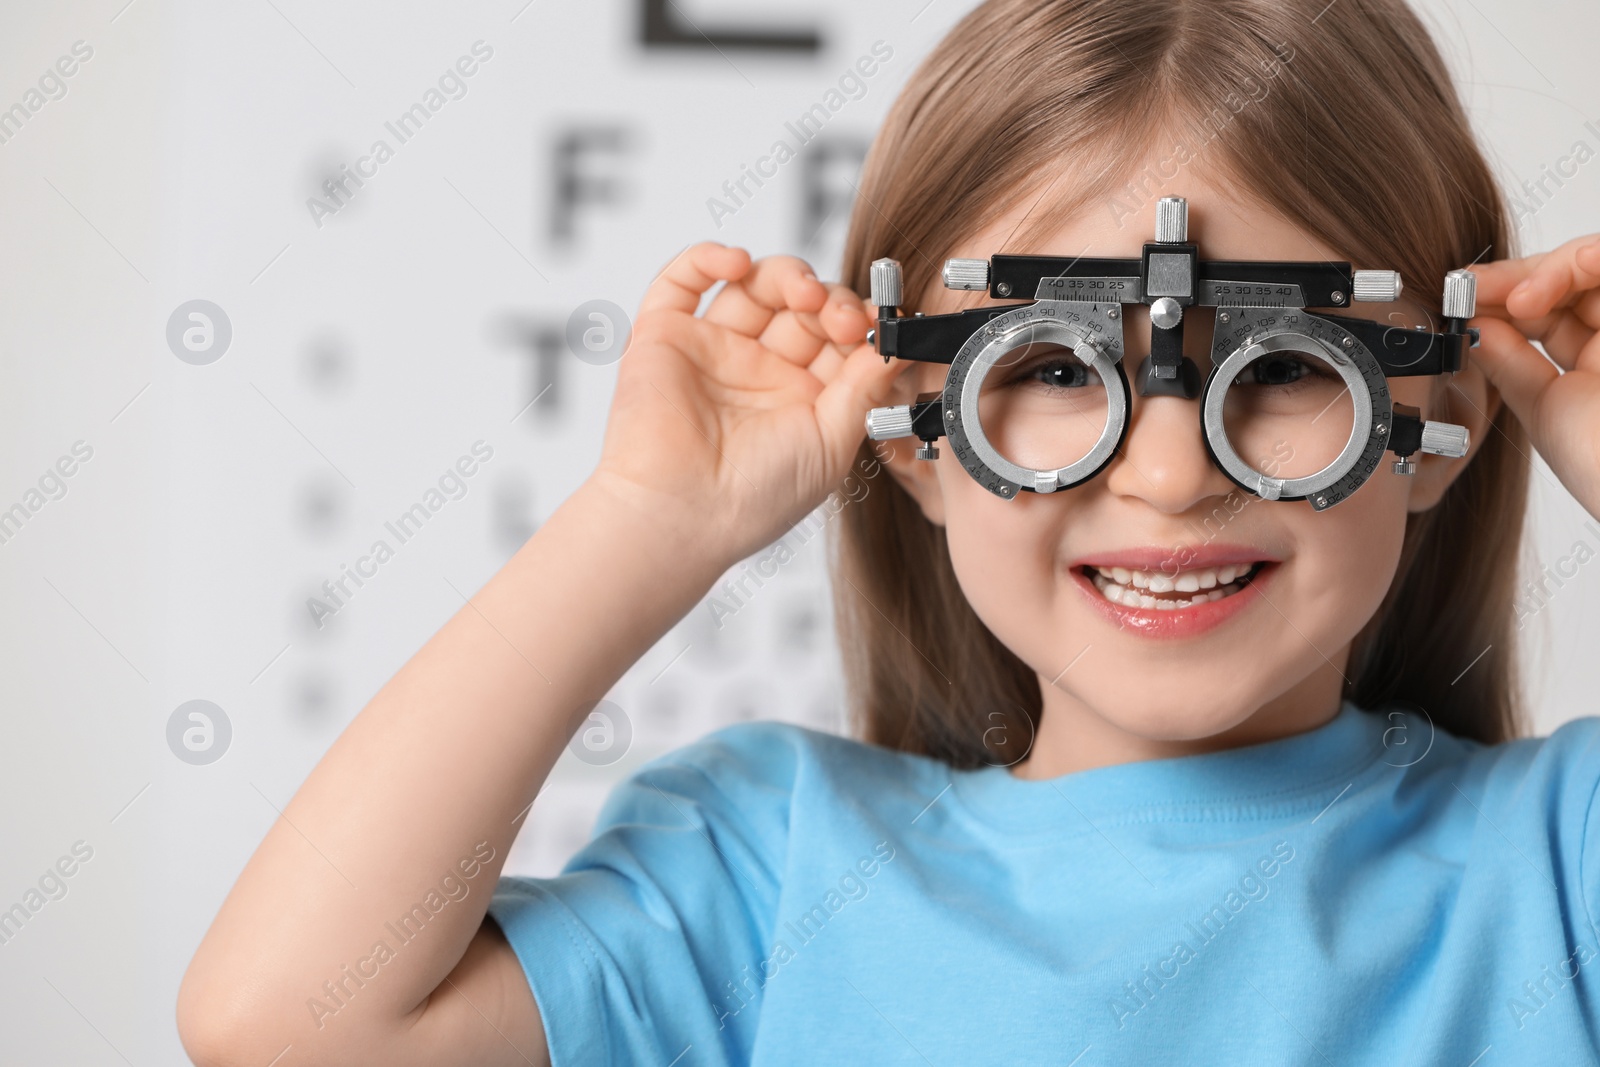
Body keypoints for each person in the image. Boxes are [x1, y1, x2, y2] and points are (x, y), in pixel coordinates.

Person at [176, 0, 1600, 1063]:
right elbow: (288, 1024)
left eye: (1288, 369)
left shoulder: (1559, 869)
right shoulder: (769, 869)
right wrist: (646, 524)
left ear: (1445, 420)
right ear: (919, 433)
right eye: (1049, 370)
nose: (1169, 476)